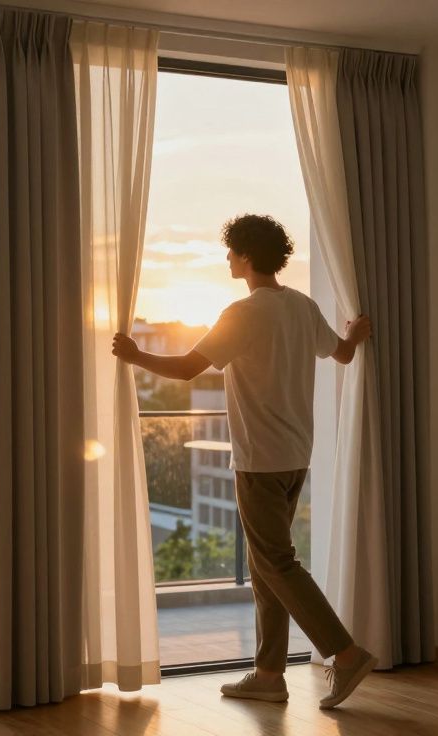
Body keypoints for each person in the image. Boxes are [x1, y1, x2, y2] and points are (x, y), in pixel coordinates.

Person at [111, 214, 375, 709]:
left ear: (247, 256)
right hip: (296, 456)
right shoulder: (302, 306)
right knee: (265, 568)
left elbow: (189, 368)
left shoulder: (242, 313)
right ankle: (269, 674)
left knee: (277, 563)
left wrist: (135, 355)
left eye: (231, 252)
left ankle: (345, 653)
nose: (227, 259)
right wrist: (355, 334)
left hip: (260, 458)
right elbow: (340, 353)